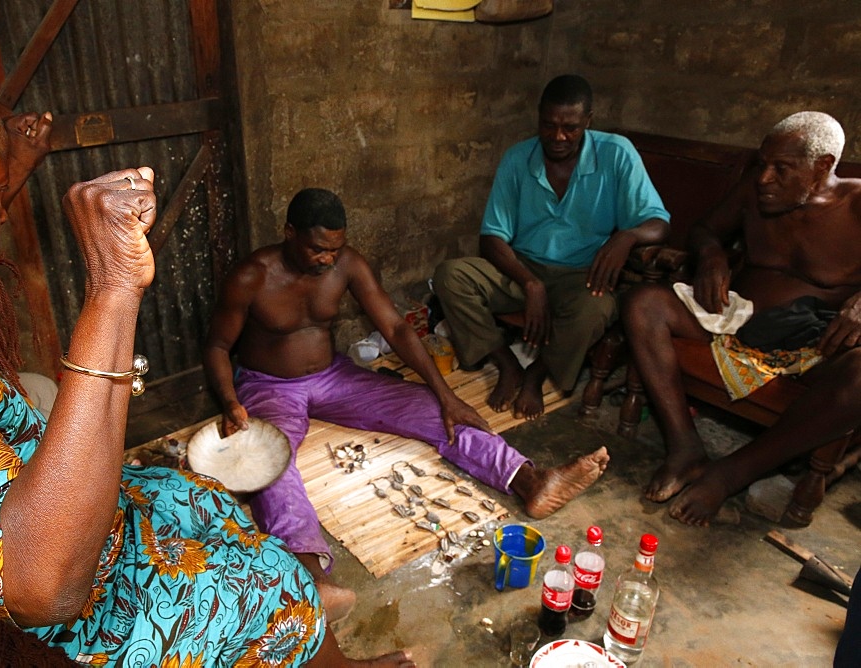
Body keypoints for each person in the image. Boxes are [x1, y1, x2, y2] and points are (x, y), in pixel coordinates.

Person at [0, 36, 414, 667]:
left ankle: (314, 642)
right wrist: (113, 288)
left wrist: (23, 162)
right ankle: (302, 629)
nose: (5, 212)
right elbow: (45, 584)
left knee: (197, 498)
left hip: (25, 519)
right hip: (20, 607)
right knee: (270, 591)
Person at [204, 187, 610, 621]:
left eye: (335, 249)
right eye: (317, 249)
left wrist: (446, 394)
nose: (327, 259)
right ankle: (310, 577)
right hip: (270, 385)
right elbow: (217, 346)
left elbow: (396, 328)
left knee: (433, 410)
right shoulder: (252, 276)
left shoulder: (347, 263)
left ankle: (528, 480)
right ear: (289, 233)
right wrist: (230, 402)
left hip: (333, 376)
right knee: (270, 457)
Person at [620, 111, 861, 526]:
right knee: (644, 303)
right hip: (737, 322)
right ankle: (684, 447)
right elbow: (704, 228)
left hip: (814, 346)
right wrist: (711, 253)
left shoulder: (858, 206)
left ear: (822, 167)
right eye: (762, 164)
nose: (765, 177)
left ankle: (729, 474)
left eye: (781, 169)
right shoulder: (755, 190)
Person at [433, 74, 670, 421]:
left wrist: (627, 236)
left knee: (596, 309)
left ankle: (537, 372)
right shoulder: (517, 159)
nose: (558, 137)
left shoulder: (617, 154)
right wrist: (531, 284)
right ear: (539, 118)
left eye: (570, 128)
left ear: (588, 121)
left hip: (582, 275)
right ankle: (507, 363)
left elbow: (658, 221)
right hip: (522, 268)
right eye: (549, 125)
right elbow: (491, 238)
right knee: (451, 276)